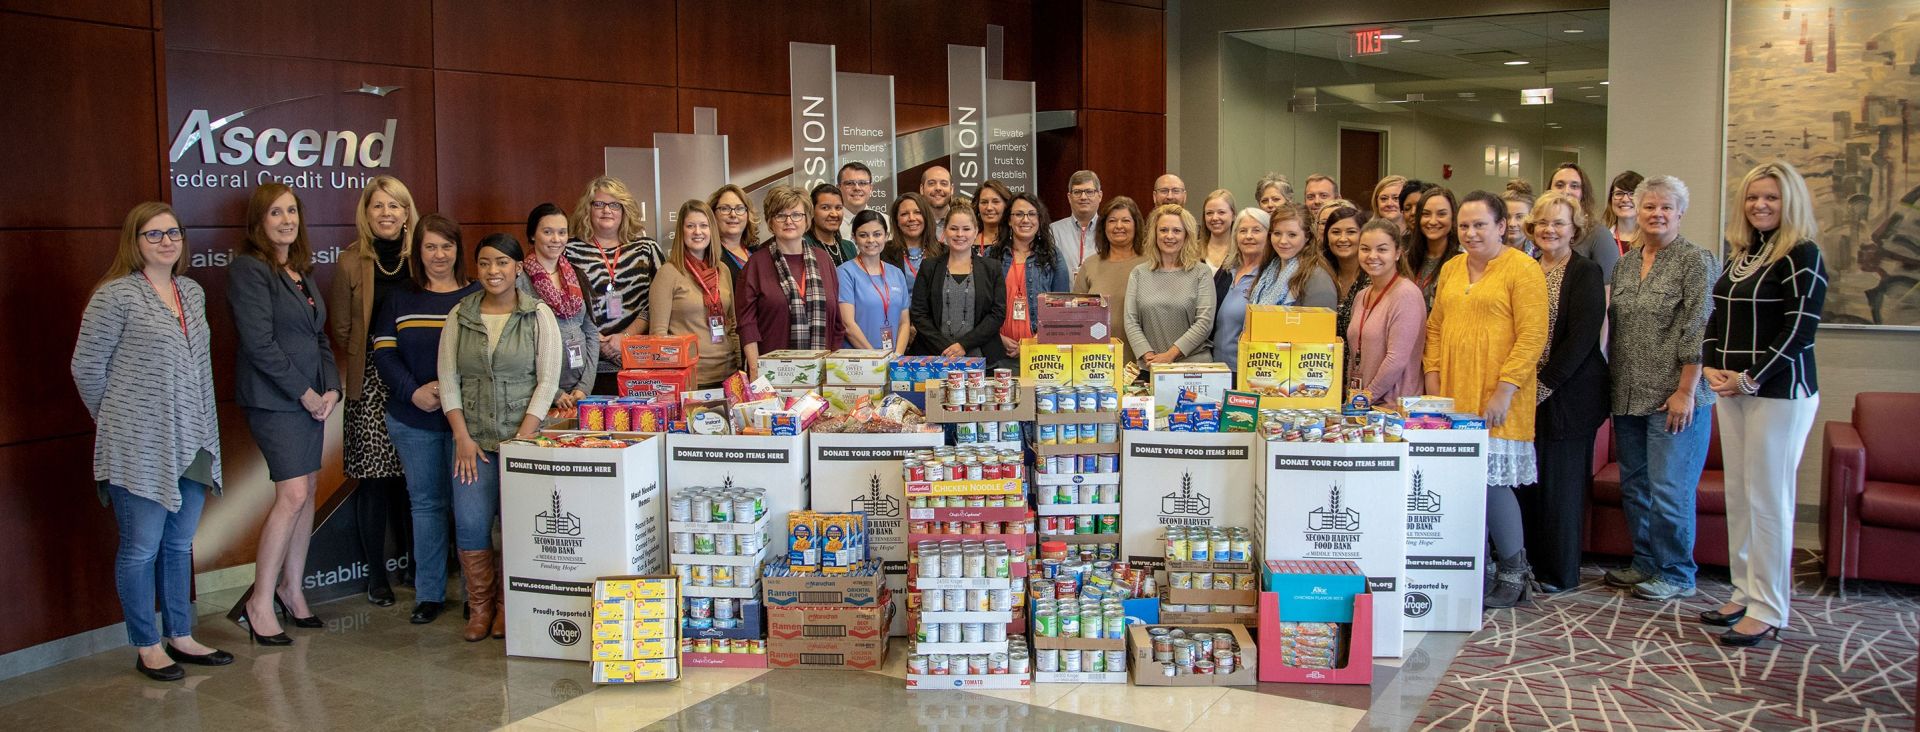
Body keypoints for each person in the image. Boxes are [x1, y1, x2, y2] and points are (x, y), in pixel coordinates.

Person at [73, 203, 230, 680]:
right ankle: (147, 644)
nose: (166, 241)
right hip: (138, 447)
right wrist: (120, 421)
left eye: (173, 232)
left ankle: (181, 634)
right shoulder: (114, 296)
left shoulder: (191, 291)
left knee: (180, 545)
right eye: (153, 234)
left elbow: (199, 368)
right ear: (134, 241)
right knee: (141, 547)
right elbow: (86, 369)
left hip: (195, 438)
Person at [1700, 162, 1828, 647]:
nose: (1760, 205)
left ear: (1789, 200)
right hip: (1732, 390)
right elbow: (1717, 315)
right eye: (1753, 197)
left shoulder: (1802, 254)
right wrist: (1712, 365)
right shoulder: (1744, 253)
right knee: (1740, 493)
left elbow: (1799, 330)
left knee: (1768, 499)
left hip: (1778, 393)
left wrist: (1751, 378)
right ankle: (1744, 591)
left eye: (1771, 197)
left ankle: (1770, 606)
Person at [1422, 190, 1549, 609]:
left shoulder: (1523, 268)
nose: (1471, 233)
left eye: (1480, 224)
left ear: (1501, 226)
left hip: (1500, 398)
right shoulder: (1454, 267)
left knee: (1493, 485)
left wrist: (1505, 389)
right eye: (1465, 225)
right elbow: (1436, 327)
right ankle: (1484, 567)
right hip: (1453, 396)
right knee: (1464, 487)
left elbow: (1533, 336)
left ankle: (1516, 572)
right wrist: (1434, 381)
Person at [228, 183, 339, 644]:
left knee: (307, 491)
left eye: (292, 211)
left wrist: (330, 387)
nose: (286, 220)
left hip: (312, 401)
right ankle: (260, 600)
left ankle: (293, 591)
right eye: (276, 213)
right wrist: (306, 394)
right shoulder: (248, 270)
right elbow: (259, 345)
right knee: (292, 494)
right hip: (276, 402)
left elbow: (318, 336)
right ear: (259, 221)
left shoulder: (298, 271)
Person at [439, 233, 563, 642]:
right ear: (476, 269)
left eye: (502, 263)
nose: (494, 271)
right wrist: (461, 436)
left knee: (516, 528)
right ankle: (479, 610)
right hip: (472, 446)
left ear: (518, 268)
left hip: (521, 444)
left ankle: (508, 609)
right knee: (472, 526)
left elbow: (547, 383)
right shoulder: (460, 315)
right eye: (486, 263)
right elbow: (448, 380)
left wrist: (521, 440)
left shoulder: (538, 314)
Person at [1604, 175, 1720, 602]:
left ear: (1680, 213)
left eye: (1665, 207)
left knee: (1670, 489)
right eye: (1649, 206)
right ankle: (1646, 563)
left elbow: (1699, 329)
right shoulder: (1627, 263)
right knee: (1635, 486)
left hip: (1675, 397)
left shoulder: (1696, 260)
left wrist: (1686, 390)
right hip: (1628, 393)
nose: (1656, 214)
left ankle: (1677, 572)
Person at [372, 213, 478, 626]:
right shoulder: (400, 298)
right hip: (414, 418)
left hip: (467, 423)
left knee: (470, 511)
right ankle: (430, 594)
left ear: (458, 250)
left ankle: (477, 596)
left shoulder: (475, 295)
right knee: (427, 506)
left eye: (446, 246)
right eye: (430, 246)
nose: (439, 254)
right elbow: (384, 353)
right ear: (418, 251)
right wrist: (414, 391)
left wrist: (452, 393)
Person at [326, 175, 417, 608]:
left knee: (417, 479)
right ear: (366, 213)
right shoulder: (349, 262)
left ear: (406, 213)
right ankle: (377, 576)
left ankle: (420, 566)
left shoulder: (422, 255)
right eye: (378, 206)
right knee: (375, 483)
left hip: (419, 380)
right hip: (372, 383)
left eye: (394, 206)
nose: (386, 213)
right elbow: (343, 327)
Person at [1518, 192, 1610, 595]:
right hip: (1526, 394)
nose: (1550, 230)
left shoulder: (1585, 271)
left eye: (1559, 223)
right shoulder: (1524, 269)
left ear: (1575, 229)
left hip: (1570, 395)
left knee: (1562, 486)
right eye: (1542, 222)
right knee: (1531, 483)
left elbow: (1582, 338)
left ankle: (1560, 572)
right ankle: (1531, 565)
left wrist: (1543, 385)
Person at [564, 176, 663, 395]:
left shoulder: (646, 249)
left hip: (638, 362)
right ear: (587, 209)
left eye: (614, 204)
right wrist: (593, 337)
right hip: (586, 365)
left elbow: (660, 304)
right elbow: (563, 304)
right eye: (599, 204)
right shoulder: (569, 250)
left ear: (625, 210)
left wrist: (626, 337)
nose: (606, 210)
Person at [738, 186, 846, 377]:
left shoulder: (823, 260)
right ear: (770, 222)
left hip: (820, 374)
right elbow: (747, 324)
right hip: (772, 375)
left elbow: (836, 321)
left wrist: (832, 370)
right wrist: (755, 370)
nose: (789, 221)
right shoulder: (756, 264)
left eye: (796, 214)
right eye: (781, 215)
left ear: (807, 220)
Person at [649, 200, 743, 388]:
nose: (697, 232)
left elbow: (732, 325)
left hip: (728, 376)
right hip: (692, 380)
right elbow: (658, 336)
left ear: (712, 230)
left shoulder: (722, 270)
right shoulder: (668, 273)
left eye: (703, 226)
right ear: (681, 231)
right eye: (690, 226)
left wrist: (740, 366)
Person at [520, 203, 598, 411]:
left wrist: (585, 387)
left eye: (562, 232)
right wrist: (552, 392)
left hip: (578, 392)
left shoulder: (576, 274)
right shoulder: (521, 281)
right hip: (538, 394)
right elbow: (521, 345)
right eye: (548, 232)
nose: (556, 239)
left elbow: (590, 332)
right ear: (533, 235)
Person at [909, 203, 1007, 363]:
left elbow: (997, 314)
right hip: (934, 357)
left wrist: (964, 345)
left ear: (975, 231)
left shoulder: (992, 268)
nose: (960, 234)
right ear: (945, 231)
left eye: (966, 229)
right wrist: (946, 348)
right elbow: (919, 314)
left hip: (982, 358)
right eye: (954, 228)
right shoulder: (929, 267)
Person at [1345, 218, 1426, 406]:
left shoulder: (1406, 294)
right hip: (1362, 403)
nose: (1372, 256)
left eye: (1382, 249)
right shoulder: (1362, 295)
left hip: (1393, 407)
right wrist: (1354, 396)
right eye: (1365, 249)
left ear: (1397, 253)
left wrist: (1366, 396)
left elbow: (1396, 359)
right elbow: (1354, 353)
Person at [1125, 204, 1216, 366]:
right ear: (1154, 234)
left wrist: (1170, 355)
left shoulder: (1201, 273)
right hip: (1150, 366)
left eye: (1177, 231)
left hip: (1193, 368)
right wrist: (1148, 355)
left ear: (1187, 235)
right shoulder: (1139, 273)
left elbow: (1204, 322)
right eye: (1163, 230)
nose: (1169, 236)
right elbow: (1131, 321)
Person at [992, 194, 1073, 361]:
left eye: (1031, 214)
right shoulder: (992, 256)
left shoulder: (1053, 256)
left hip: (1041, 353)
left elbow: (1062, 308)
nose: (1025, 219)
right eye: (1019, 214)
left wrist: (1034, 342)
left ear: (1039, 219)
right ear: (1009, 220)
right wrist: (996, 338)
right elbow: (981, 307)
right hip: (998, 351)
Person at [1072, 196, 1149, 365]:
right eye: (1112, 221)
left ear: (1136, 225)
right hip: (1096, 357)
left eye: (1126, 221)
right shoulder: (1090, 264)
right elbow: (1075, 313)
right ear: (1103, 227)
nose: (1119, 226)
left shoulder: (1150, 263)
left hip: (1143, 356)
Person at [837, 209, 912, 355]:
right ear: (854, 237)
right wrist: (876, 358)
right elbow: (848, 325)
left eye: (877, 234)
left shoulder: (896, 273)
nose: (871, 240)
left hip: (893, 359)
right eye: (863, 235)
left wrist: (897, 356)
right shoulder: (845, 273)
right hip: (859, 361)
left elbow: (904, 322)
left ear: (886, 236)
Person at [1211, 208, 1271, 373]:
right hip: (1217, 368)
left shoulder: (1271, 277)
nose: (1248, 236)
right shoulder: (1227, 270)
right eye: (1242, 231)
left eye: (1256, 230)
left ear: (1269, 235)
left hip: (1248, 371)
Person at [1250, 203, 1336, 308]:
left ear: (1307, 236)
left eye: (1292, 235)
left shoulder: (1317, 278)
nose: (1283, 241)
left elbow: (1320, 323)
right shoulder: (1269, 269)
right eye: (1277, 233)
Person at [1548, 162, 1622, 282]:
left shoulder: (1599, 234)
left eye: (1574, 186)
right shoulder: (1541, 232)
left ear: (1583, 193)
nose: (1566, 191)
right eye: (1559, 185)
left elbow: (1610, 288)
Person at [1320, 204, 1371, 338]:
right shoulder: (1320, 275)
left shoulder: (1373, 279)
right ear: (1326, 237)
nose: (1342, 239)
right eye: (1336, 232)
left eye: (1351, 232)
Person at [1409, 187, 1460, 308]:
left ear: (1453, 218)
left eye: (1441, 214)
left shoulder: (1462, 262)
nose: (1432, 221)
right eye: (1426, 214)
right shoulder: (1407, 259)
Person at [1050, 170, 1104, 271]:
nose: (1083, 197)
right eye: (1077, 192)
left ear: (1100, 196)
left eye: (1089, 192)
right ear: (1069, 197)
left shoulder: (1109, 229)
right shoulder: (1053, 231)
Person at [708, 184, 760, 282]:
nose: (733, 214)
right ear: (712, 214)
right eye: (725, 208)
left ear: (748, 214)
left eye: (739, 208)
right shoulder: (708, 255)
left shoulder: (758, 251)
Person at [883, 192, 935, 280]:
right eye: (904, 214)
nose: (911, 218)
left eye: (918, 212)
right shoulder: (884, 253)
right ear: (897, 221)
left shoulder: (944, 252)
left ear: (926, 217)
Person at [805, 183, 856, 265]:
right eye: (825, 208)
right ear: (812, 211)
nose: (834, 214)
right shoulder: (803, 244)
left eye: (838, 208)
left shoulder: (849, 247)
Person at [836, 162, 883, 238]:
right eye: (850, 183)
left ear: (871, 188)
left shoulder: (887, 223)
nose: (857, 188)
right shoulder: (830, 224)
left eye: (862, 183)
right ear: (838, 188)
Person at [1605, 170, 1645, 253]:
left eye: (1632, 194)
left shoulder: (1654, 241)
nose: (1625, 199)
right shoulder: (1601, 240)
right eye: (1619, 193)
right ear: (1610, 200)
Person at [1199, 190, 1237, 272]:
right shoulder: (1193, 250)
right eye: (1209, 213)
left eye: (1221, 212)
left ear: (1233, 215)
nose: (1215, 218)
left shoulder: (1241, 251)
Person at [974, 180, 1013, 255]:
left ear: (1006, 205)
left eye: (995, 202)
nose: (989, 208)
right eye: (984, 202)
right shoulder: (968, 240)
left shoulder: (1017, 240)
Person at [1503, 182, 1538, 259]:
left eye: (1519, 217)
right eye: (1507, 216)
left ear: (1531, 218)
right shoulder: (1489, 251)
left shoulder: (1541, 253)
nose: (1512, 224)